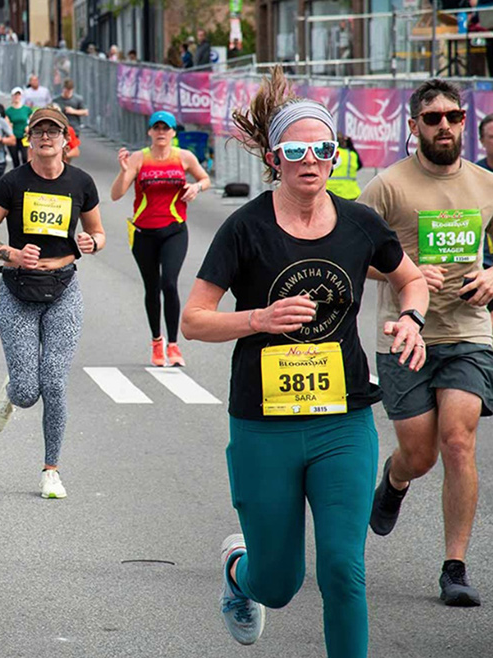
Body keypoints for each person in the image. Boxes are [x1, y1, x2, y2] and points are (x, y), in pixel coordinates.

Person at [180, 68, 429, 657]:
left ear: (334, 156)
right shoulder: (246, 228)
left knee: (344, 571)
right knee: (280, 582)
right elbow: (194, 318)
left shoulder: (361, 224)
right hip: (264, 423)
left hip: (341, 421)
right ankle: (240, 573)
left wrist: (412, 319)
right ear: (275, 157)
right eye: (297, 150)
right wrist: (258, 319)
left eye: (322, 148)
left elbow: (410, 279)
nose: (311, 160)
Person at [360, 78, 493, 607]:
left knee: (458, 441)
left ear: (465, 122)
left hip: (468, 334)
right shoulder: (388, 186)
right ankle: (394, 481)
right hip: (404, 335)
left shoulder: (486, 185)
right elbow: (351, 253)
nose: (444, 126)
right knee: (419, 456)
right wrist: (404, 274)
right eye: (432, 118)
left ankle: (454, 567)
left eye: (453, 116)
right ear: (413, 125)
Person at [0, 108, 105, 499]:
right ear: (28, 139)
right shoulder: (12, 182)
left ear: (67, 140)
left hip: (64, 287)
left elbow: (98, 232)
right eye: (39, 131)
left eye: (53, 131)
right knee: (28, 390)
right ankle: (12, 391)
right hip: (18, 290)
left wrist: (92, 243)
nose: (46, 137)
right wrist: (10, 253)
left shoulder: (81, 182)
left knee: (54, 381)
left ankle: (51, 469)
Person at [110, 110, 211, 366]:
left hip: (175, 230)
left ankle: (174, 346)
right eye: (157, 128)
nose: (161, 133)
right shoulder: (138, 158)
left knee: (169, 283)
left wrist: (196, 187)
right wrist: (124, 172)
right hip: (144, 233)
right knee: (152, 288)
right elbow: (116, 194)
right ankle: (157, 342)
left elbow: (205, 178)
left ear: (173, 132)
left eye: (166, 128)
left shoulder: (184, 157)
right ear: (150, 132)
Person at [325, 133, 362, 200]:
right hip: (350, 193)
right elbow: (359, 165)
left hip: (330, 193)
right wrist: (351, 145)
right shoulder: (351, 155)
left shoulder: (328, 154)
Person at [4, 88, 33, 168]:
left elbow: (33, 120)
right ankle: (16, 177)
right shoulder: (8, 111)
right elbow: (6, 123)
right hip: (13, 136)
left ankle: (25, 175)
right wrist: (9, 125)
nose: (17, 97)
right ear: (12, 96)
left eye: (18, 95)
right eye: (15, 95)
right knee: (15, 159)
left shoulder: (26, 109)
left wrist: (29, 127)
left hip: (24, 136)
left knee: (25, 157)